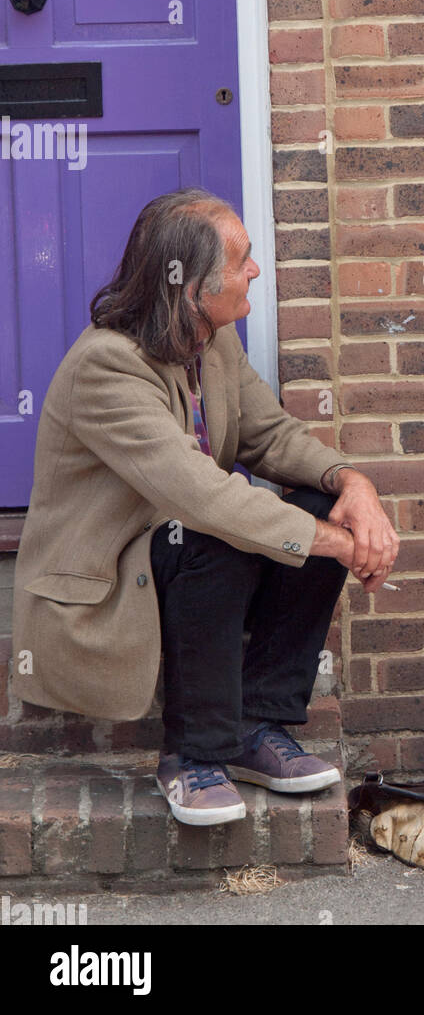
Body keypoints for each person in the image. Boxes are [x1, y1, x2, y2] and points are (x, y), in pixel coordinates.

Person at [12, 188, 399, 826]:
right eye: (242, 260)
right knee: (219, 528)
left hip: (181, 557)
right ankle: (191, 755)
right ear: (189, 287)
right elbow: (199, 494)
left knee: (318, 506)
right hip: (109, 580)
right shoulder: (106, 366)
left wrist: (351, 484)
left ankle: (255, 727)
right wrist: (338, 544)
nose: (256, 271)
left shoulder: (211, 340)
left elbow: (269, 436)